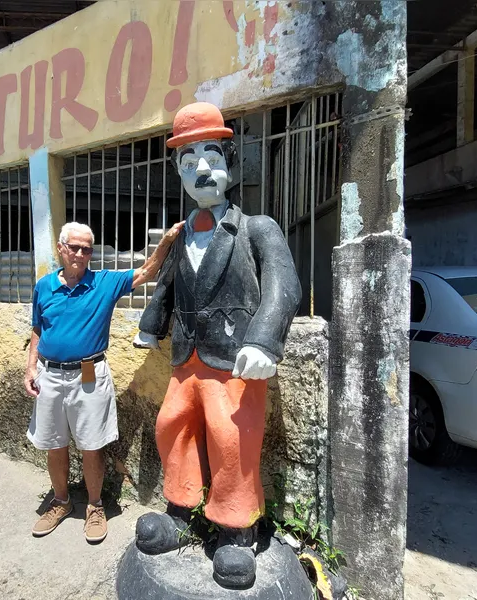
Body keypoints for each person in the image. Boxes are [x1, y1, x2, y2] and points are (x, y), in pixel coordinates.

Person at [132, 102, 301, 588]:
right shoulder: (182, 233)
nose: (201, 169)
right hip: (186, 358)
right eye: (188, 162)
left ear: (230, 160)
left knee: (232, 441)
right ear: (178, 173)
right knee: (172, 426)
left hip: (235, 360)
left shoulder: (257, 228)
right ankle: (181, 511)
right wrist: (151, 323)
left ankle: (234, 530)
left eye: (210, 157)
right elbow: (168, 283)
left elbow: (283, 286)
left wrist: (266, 340)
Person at [26, 220, 183, 544]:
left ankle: (95, 506)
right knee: (55, 444)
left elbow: (145, 272)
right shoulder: (43, 286)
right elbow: (37, 330)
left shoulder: (103, 284)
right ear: (61, 249)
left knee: (91, 445)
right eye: (75, 247)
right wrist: (30, 369)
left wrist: (166, 241)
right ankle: (61, 501)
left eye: (87, 249)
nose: (81, 254)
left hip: (88, 372)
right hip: (50, 375)